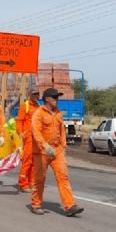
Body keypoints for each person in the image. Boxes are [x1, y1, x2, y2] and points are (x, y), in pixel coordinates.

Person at [30, 88, 84, 217]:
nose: (57, 100)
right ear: (47, 99)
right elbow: (35, 131)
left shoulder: (58, 113)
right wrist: (44, 146)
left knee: (63, 177)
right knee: (39, 179)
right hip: (41, 151)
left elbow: (62, 132)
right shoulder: (39, 113)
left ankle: (70, 205)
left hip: (57, 150)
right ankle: (36, 204)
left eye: (57, 97)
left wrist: (63, 147)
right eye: (54, 97)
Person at [15, 89, 41, 193]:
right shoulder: (25, 106)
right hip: (28, 138)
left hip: (37, 138)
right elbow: (19, 121)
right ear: (30, 95)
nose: (36, 96)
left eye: (37, 94)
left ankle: (31, 183)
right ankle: (22, 183)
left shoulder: (39, 107)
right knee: (27, 161)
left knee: (34, 162)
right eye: (34, 94)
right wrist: (21, 132)